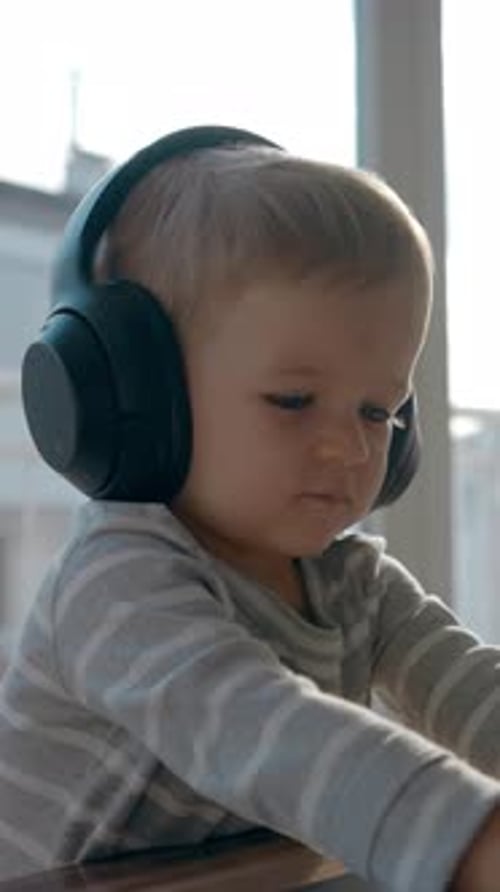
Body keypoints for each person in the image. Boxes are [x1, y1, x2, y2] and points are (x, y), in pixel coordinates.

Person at [1, 127, 499, 892]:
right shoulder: (115, 583)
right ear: (139, 395)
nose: (349, 448)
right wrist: (471, 838)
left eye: (379, 411)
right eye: (293, 401)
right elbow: (262, 729)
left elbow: (471, 688)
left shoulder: (352, 583)